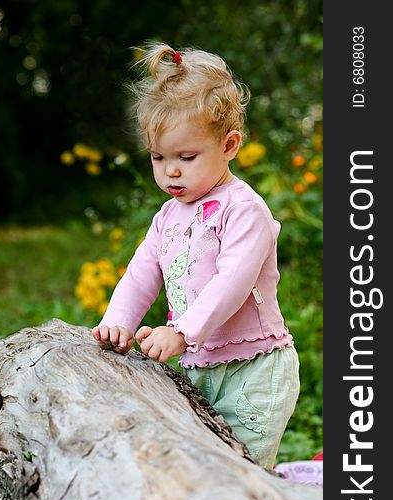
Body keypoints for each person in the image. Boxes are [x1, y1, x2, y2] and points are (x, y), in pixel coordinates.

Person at [92, 42, 299, 469]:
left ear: (229, 145)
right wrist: (118, 322)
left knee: (243, 468)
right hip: (198, 366)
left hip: (254, 370)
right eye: (158, 157)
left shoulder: (245, 210)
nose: (170, 170)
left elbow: (232, 283)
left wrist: (181, 332)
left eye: (187, 157)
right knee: (202, 464)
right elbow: (142, 271)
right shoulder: (168, 215)